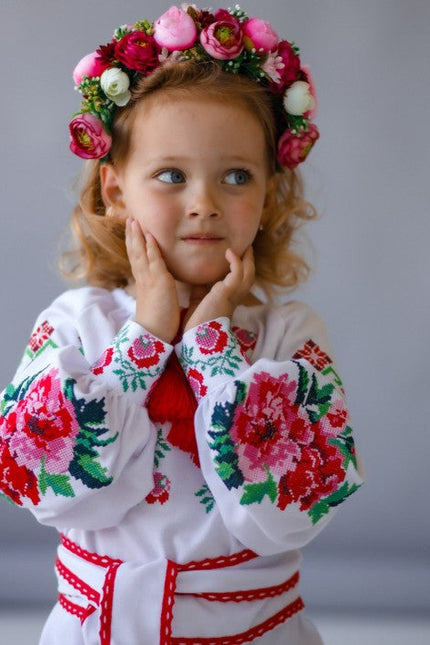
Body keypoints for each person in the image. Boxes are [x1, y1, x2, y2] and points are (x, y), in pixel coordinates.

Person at [0, 5, 363, 643]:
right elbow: (51, 490)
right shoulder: (77, 322)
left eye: (236, 176)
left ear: (269, 192)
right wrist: (144, 337)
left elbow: (287, 513)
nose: (203, 203)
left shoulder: (287, 336)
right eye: (171, 175)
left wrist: (212, 345)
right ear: (115, 190)